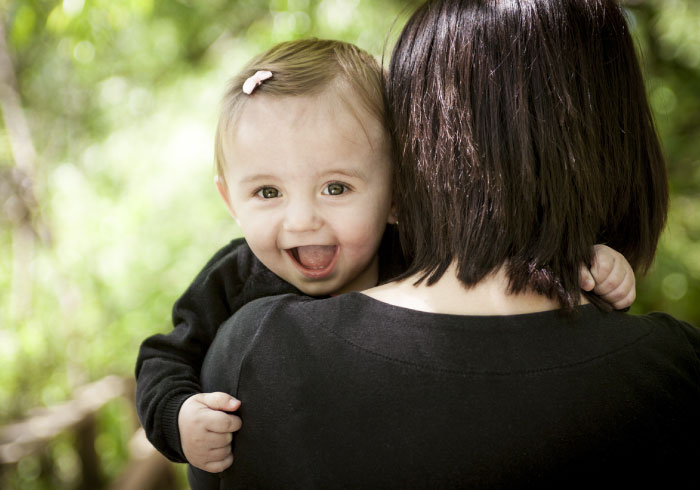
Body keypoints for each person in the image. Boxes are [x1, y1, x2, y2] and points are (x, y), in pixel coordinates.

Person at [191, 0, 700, 488]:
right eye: (269, 191)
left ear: (407, 159)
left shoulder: (258, 354)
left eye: (336, 187)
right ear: (615, 136)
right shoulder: (675, 377)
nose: (302, 220)